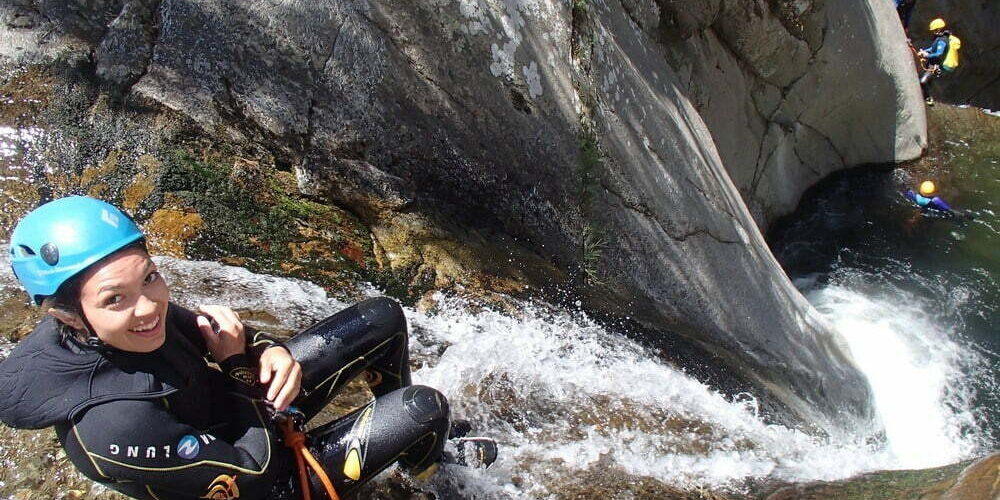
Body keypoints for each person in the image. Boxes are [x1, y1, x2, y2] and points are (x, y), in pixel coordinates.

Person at [0, 196, 497, 500]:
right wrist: (239, 367)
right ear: (65, 313)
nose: (149, 306)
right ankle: (435, 481)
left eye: (150, 277)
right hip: (256, 481)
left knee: (382, 318)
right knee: (422, 408)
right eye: (116, 299)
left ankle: (415, 461)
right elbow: (255, 469)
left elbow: (211, 335)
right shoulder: (114, 424)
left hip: (242, 414)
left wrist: (265, 350)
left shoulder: (127, 320)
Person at [917, 18, 961, 104]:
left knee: (923, 81)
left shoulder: (942, 40)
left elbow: (939, 53)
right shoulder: (943, 39)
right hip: (934, 64)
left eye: (934, 30)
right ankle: (925, 97)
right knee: (928, 81)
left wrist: (927, 55)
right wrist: (925, 51)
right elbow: (933, 48)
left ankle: (928, 99)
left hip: (935, 65)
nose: (933, 32)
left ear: (939, 29)